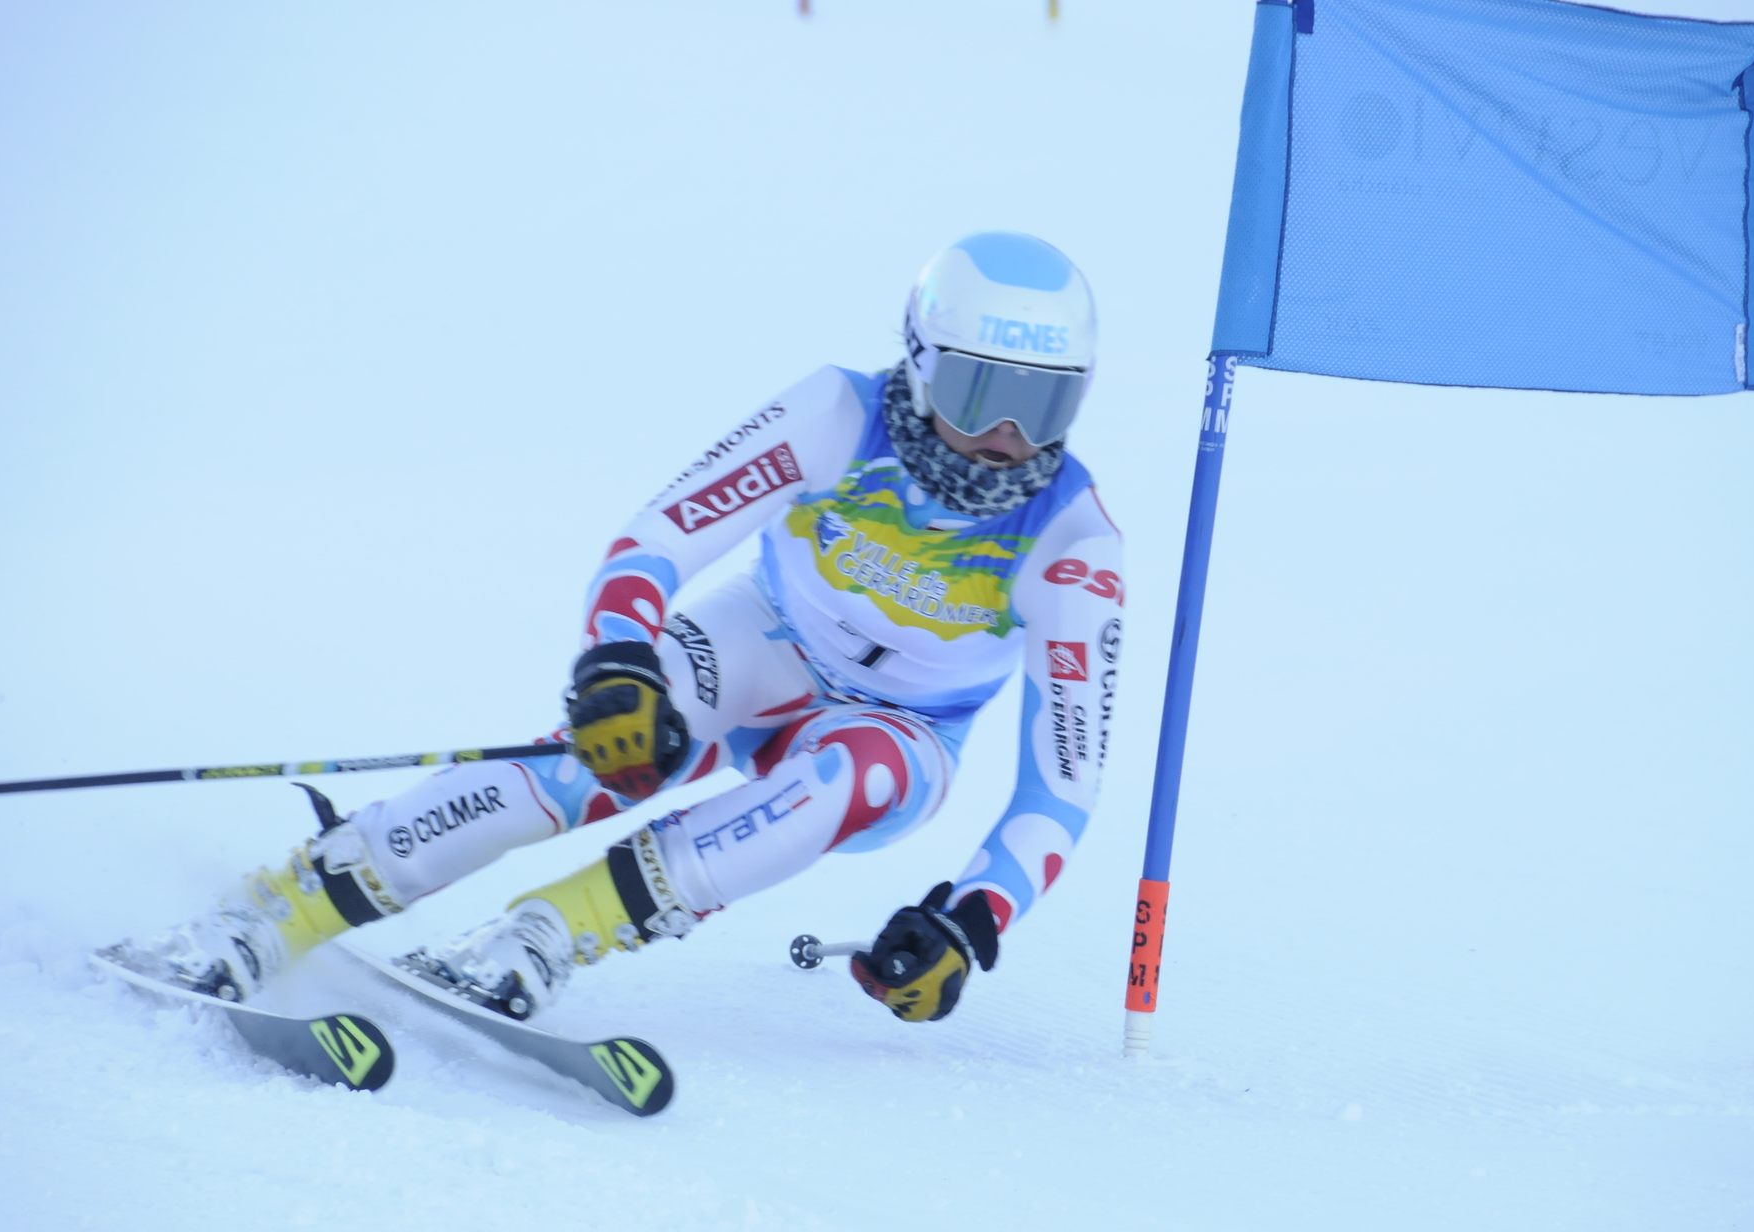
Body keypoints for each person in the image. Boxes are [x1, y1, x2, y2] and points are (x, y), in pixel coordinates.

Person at [109, 231, 1124, 1025]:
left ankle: (545, 937)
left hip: (907, 731)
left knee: (837, 779)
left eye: (1045, 405)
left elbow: (1062, 786)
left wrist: (972, 917)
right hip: (764, 640)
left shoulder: (1072, 544)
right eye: (982, 393)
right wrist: (621, 662)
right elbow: (656, 540)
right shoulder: (838, 415)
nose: (1008, 438)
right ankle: (282, 908)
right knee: (587, 761)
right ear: (920, 361)